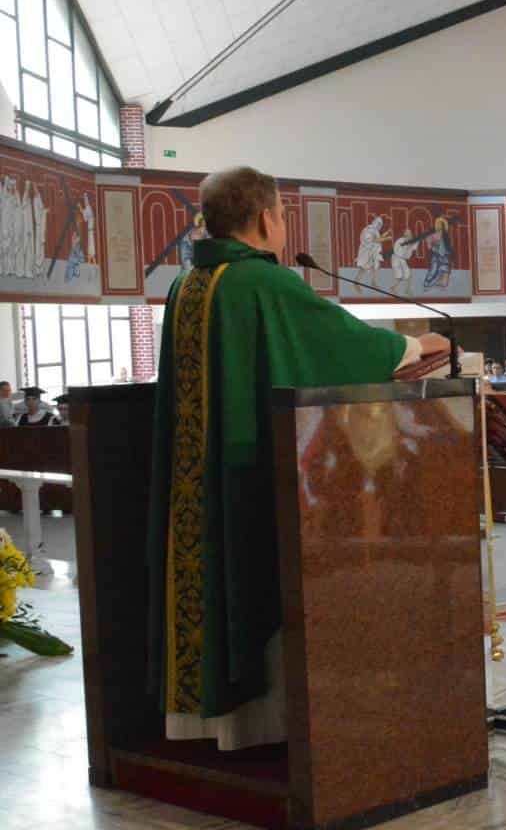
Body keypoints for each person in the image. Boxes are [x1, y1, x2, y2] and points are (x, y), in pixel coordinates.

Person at [147, 166, 446, 751]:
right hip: (249, 474)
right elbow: (342, 342)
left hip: (197, 478)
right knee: (255, 581)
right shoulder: (264, 282)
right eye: (283, 214)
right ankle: (265, 729)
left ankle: (206, 723)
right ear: (265, 219)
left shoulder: (187, 286)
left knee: (210, 582)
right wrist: (416, 344)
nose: (283, 225)